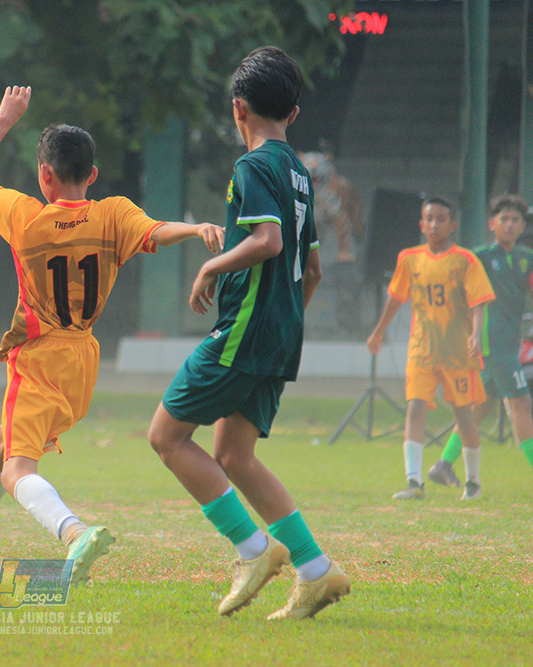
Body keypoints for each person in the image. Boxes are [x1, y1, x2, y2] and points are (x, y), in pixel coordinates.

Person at [0, 86, 224, 584]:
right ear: (93, 175)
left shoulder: (25, 216)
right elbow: (157, 230)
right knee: (2, 445)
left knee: (17, 468)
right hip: (83, 359)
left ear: (44, 175)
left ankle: (74, 532)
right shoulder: (113, 213)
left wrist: (3, 121)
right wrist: (197, 229)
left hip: (37, 356)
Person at [147, 46, 350, 621]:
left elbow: (268, 243)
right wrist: (285, 322)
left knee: (166, 436)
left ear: (239, 109)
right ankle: (316, 570)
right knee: (234, 455)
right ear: (294, 112)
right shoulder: (301, 175)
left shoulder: (254, 167)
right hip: (282, 332)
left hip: (246, 330)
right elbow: (311, 270)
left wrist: (210, 265)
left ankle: (254, 550)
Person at [367, 196, 495, 501]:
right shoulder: (409, 258)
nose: (435, 224)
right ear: (421, 224)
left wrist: (475, 335)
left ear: (453, 225)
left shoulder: (465, 260)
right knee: (415, 408)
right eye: (430, 218)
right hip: (421, 350)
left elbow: (478, 303)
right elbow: (397, 298)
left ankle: (473, 482)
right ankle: (414, 482)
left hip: (456, 352)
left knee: (464, 415)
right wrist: (378, 332)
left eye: (441, 218)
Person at [428, 195, 533, 489]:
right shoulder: (481, 257)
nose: (509, 225)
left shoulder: (527, 258)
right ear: (492, 224)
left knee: (481, 406)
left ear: (523, 225)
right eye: (504, 219)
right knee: (522, 404)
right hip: (491, 345)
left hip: (506, 344)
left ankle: (442, 465)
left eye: (515, 220)